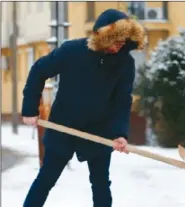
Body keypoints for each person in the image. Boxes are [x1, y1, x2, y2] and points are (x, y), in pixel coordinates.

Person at [21, 9, 146, 207]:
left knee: (101, 185)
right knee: (46, 179)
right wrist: (30, 109)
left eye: (123, 42)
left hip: (99, 131)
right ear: (102, 37)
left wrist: (120, 133)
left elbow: (122, 100)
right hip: (63, 126)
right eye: (115, 40)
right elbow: (38, 70)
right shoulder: (72, 51)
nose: (119, 46)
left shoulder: (125, 63)